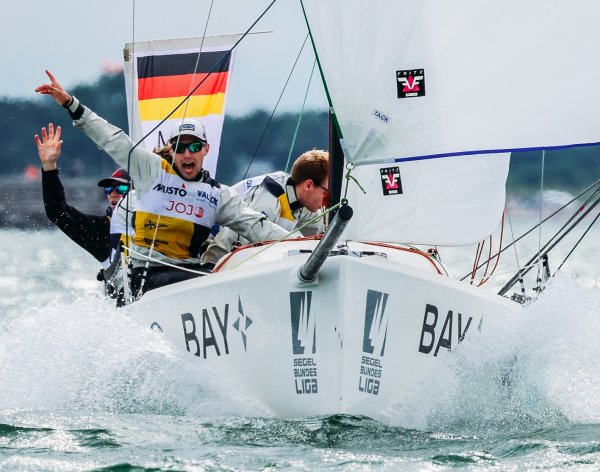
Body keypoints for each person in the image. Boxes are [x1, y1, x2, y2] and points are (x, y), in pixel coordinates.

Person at [36, 70, 289, 296]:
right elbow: (113, 139)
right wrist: (71, 104)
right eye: (180, 147)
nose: (187, 154)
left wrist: (303, 245)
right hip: (147, 276)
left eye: (194, 146)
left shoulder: (218, 194)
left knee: (228, 276)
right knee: (210, 282)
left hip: (190, 274)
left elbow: (256, 225)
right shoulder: (152, 171)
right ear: (172, 149)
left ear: (206, 149)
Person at [35, 123, 133, 304]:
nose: (113, 193)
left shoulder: (159, 221)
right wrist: (49, 167)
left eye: (121, 188)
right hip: (130, 312)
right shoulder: (103, 230)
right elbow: (58, 212)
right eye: (109, 189)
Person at [201, 150, 329, 265]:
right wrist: (208, 272)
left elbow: (316, 241)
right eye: (326, 192)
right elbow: (227, 243)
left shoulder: (305, 201)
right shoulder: (269, 198)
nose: (327, 200)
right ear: (308, 185)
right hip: (211, 251)